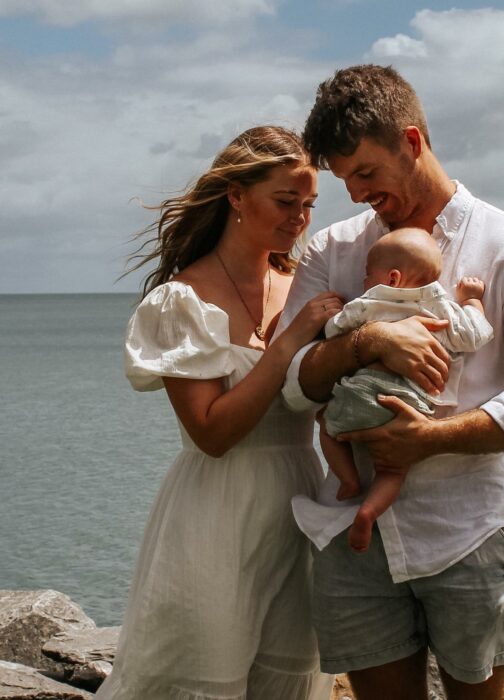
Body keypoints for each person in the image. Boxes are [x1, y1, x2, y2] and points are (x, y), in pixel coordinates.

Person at [276, 66, 504, 700]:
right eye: (344, 180)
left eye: (366, 173)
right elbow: (289, 383)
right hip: (349, 536)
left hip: (467, 529)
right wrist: (363, 342)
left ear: (411, 142)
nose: (357, 193)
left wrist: (430, 438)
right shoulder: (330, 252)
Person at [96, 126, 340, 700]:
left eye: (308, 204)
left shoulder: (305, 286)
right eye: (285, 201)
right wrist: (286, 344)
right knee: (199, 679)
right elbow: (210, 433)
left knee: (291, 680)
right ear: (236, 195)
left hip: (301, 506)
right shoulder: (181, 300)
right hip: (215, 514)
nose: (299, 218)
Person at [311, 227, 493, 553]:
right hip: (409, 403)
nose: (365, 281)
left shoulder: (369, 303)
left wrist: (338, 315)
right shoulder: (441, 309)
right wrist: (472, 301)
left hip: (362, 392)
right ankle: (369, 511)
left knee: (326, 423)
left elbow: (333, 330)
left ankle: (348, 479)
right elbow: (475, 335)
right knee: (394, 469)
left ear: (392, 278)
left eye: (368, 274)